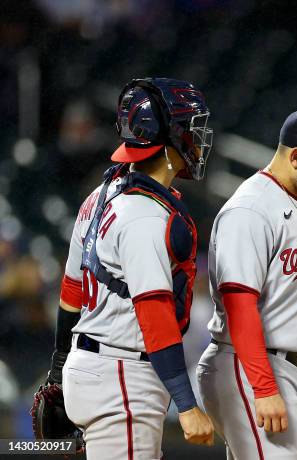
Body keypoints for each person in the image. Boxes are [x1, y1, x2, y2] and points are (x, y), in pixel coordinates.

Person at [44, 78, 215, 459]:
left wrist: (58, 368)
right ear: (169, 137)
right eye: (189, 128)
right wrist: (186, 405)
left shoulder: (101, 194)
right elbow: (154, 316)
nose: (197, 139)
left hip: (93, 364)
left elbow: (71, 292)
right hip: (122, 374)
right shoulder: (144, 215)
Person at [197, 107, 297, 459]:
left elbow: (293, 294)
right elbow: (239, 305)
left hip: (276, 368)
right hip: (250, 368)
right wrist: (264, 386)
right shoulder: (251, 209)